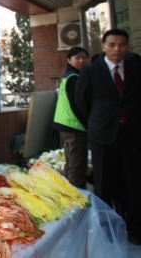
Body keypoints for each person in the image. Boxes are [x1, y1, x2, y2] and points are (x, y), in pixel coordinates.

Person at [76, 29, 141, 245]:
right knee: (104, 183)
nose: (117, 49)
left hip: (132, 134)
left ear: (127, 47)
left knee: (134, 183)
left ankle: (135, 228)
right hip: (103, 136)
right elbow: (81, 101)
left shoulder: (135, 68)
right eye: (112, 44)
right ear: (103, 46)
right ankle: (106, 229)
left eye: (122, 44)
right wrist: (97, 123)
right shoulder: (91, 71)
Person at [52, 46, 89, 189]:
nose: (81, 61)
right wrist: (88, 124)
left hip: (65, 123)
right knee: (77, 167)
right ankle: (77, 201)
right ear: (69, 60)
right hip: (74, 125)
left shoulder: (67, 76)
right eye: (77, 58)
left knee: (70, 163)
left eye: (84, 57)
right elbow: (77, 104)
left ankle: (66, 192)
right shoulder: (74, 77)